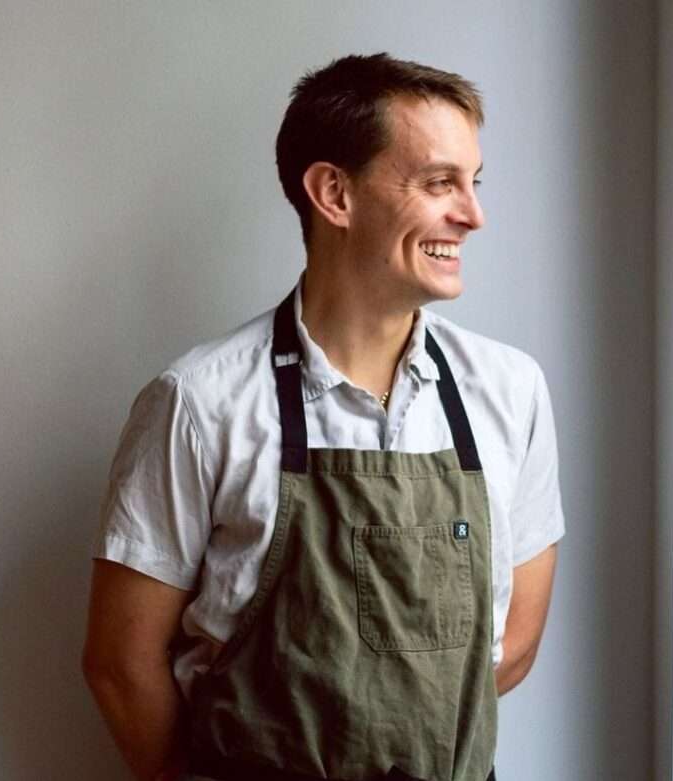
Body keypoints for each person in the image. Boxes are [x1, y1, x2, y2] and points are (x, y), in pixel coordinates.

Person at [82, 53, 565, 781]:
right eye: (440, 182)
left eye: (474, 182)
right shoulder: (198, 401)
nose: (472, 214)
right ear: (333, 193)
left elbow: (515, 641)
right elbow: (119, 664)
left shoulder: (510, 390)